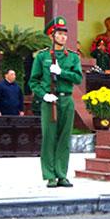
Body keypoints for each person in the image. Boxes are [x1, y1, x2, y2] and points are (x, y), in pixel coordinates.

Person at [29, 17, 84, 187]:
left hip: (66, 100)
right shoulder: (42, 56)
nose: (63, 37)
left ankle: (62, 174)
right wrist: (43, 95)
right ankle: (49, 175)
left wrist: (61, 72)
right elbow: (34, 81)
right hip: (50, 101)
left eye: (64, 34)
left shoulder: (73, 57)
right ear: (51, 36)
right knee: (49, 137)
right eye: (59, 34)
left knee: (64, 138)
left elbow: (78, 78)